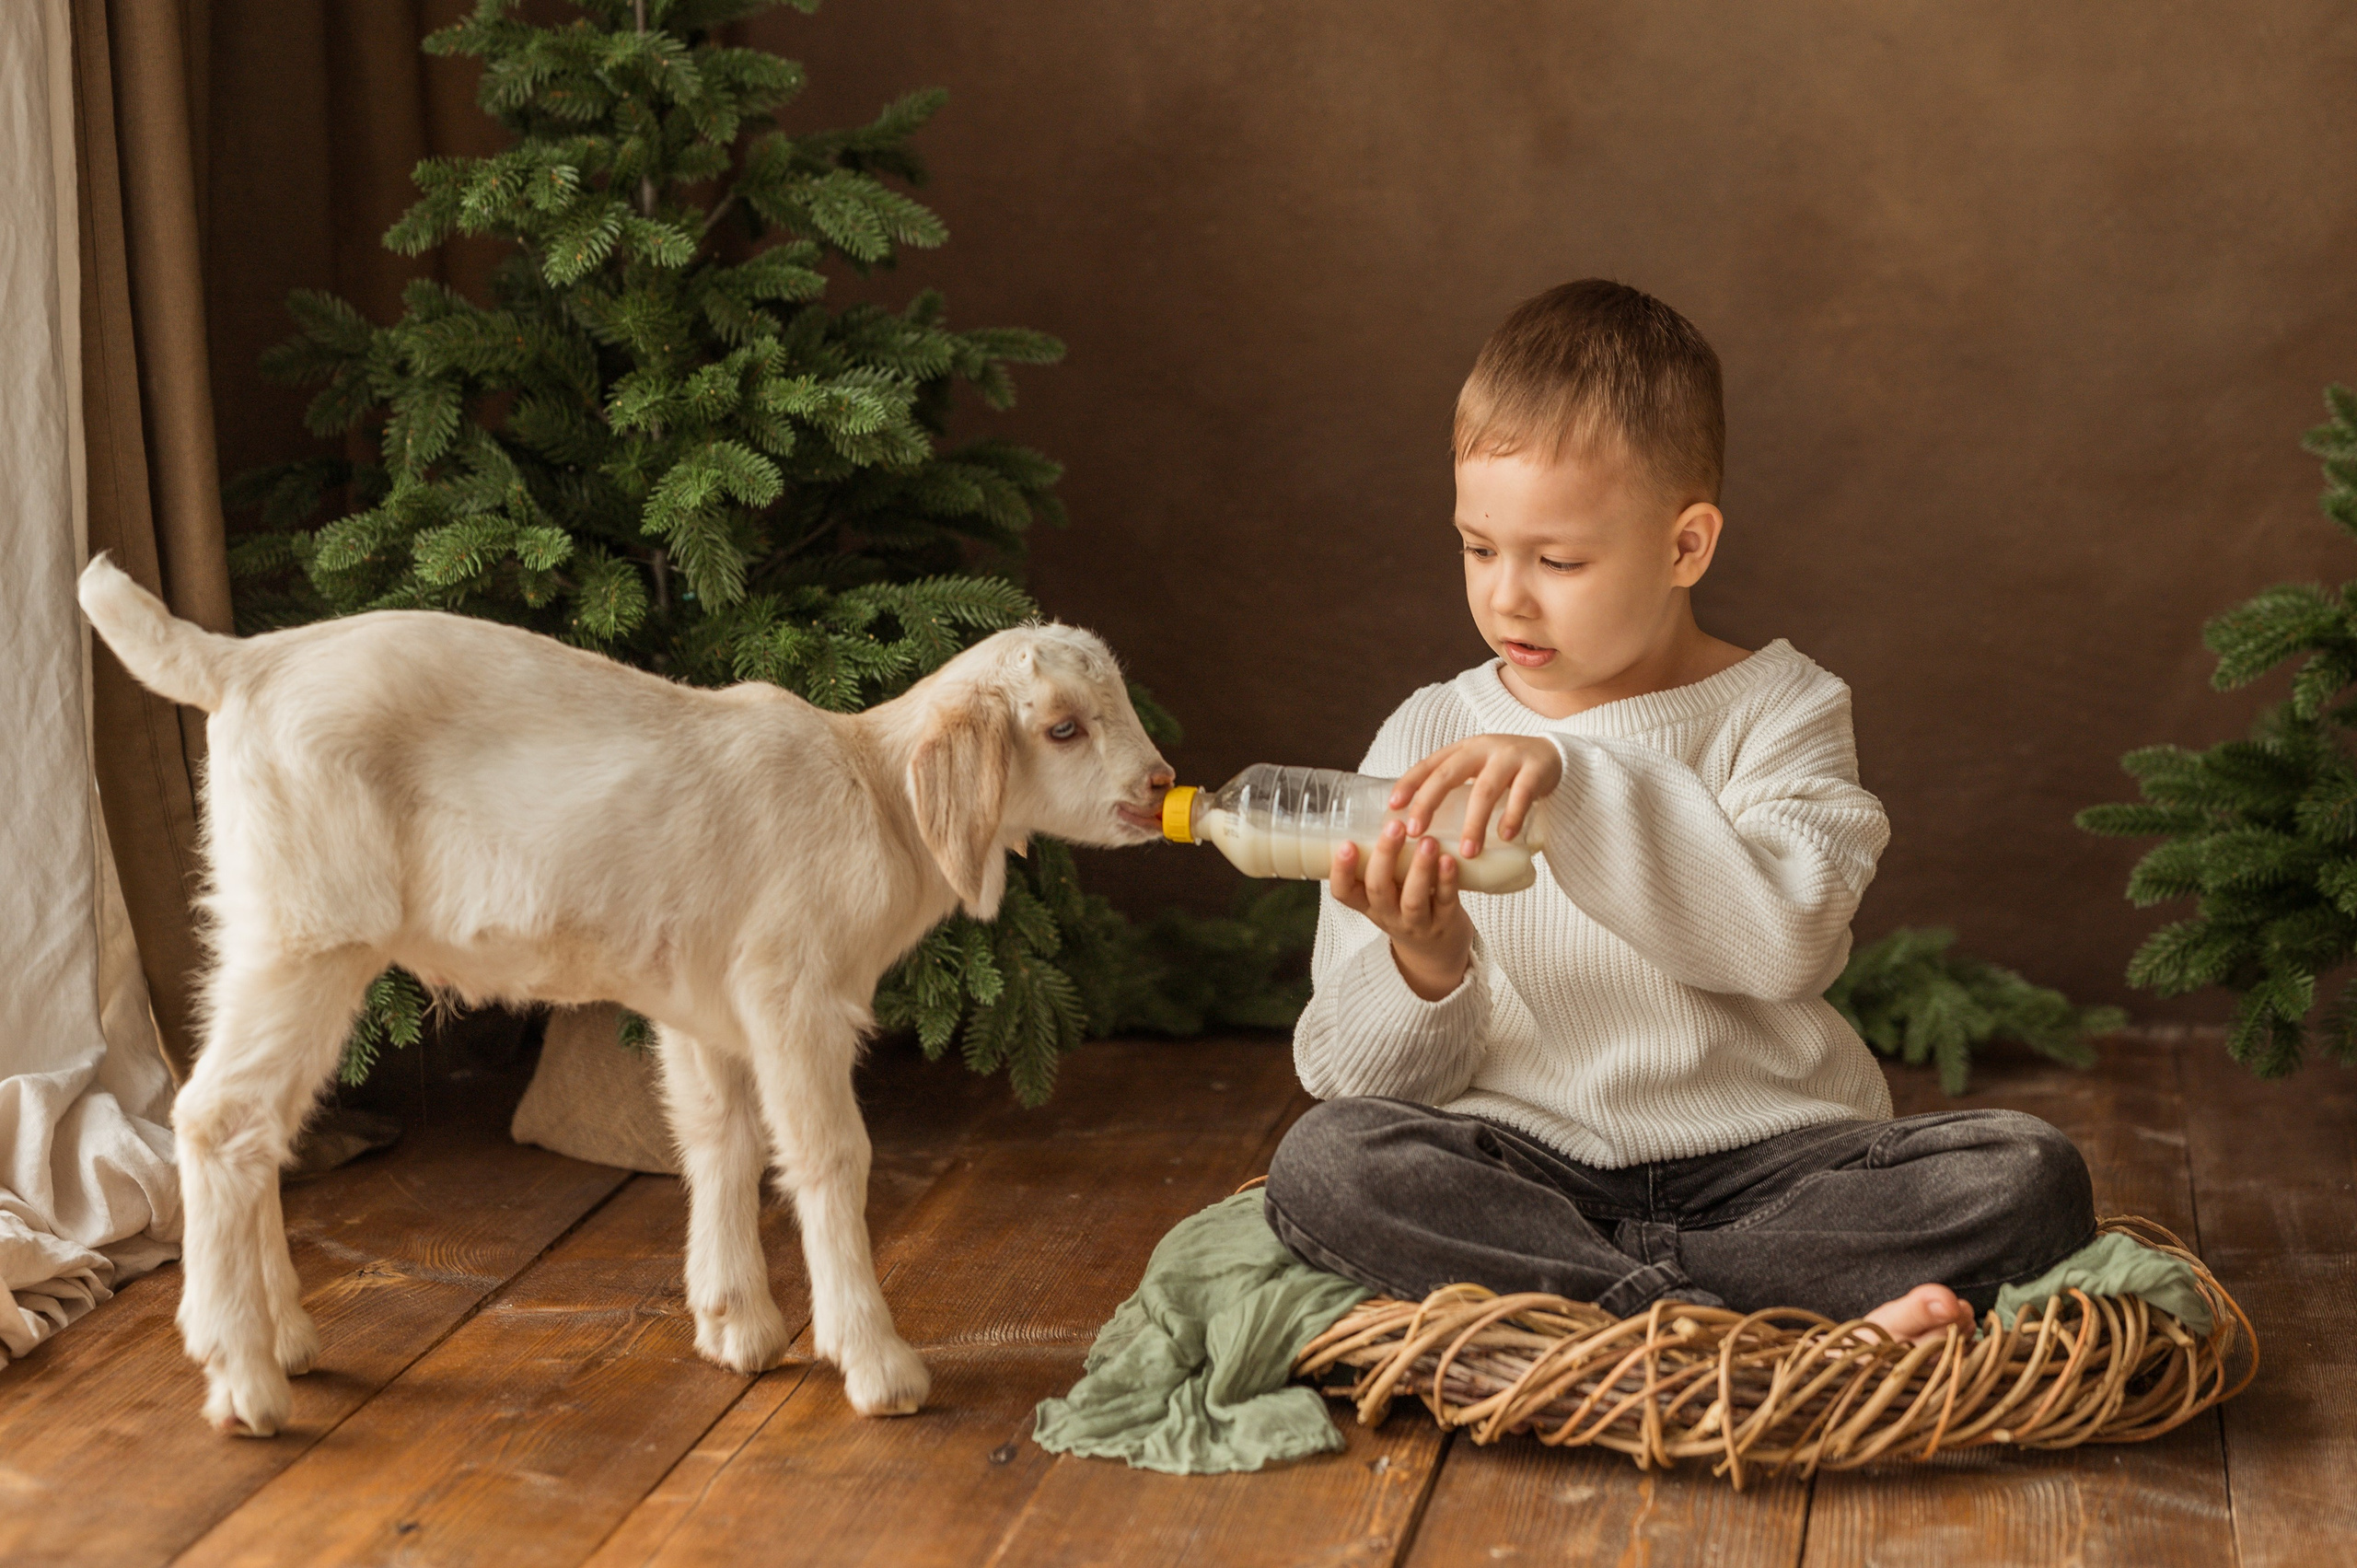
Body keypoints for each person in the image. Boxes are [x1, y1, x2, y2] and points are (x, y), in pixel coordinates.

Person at [1262, 280, 2092, 1343]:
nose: (1506, 596)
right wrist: (1425, 962)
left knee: (2028, 1174)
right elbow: (1349, 1075)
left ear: (1684, 545)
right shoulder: (1427, 734)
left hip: (1773, 1169)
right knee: (1327, 1164)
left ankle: (1616, 1322)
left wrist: (1576, 779)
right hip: (1530, 1170)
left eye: (1557, 560)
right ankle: (1732, 1333)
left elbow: (1786, 944)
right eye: (1478, 547)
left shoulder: (1785, 710)